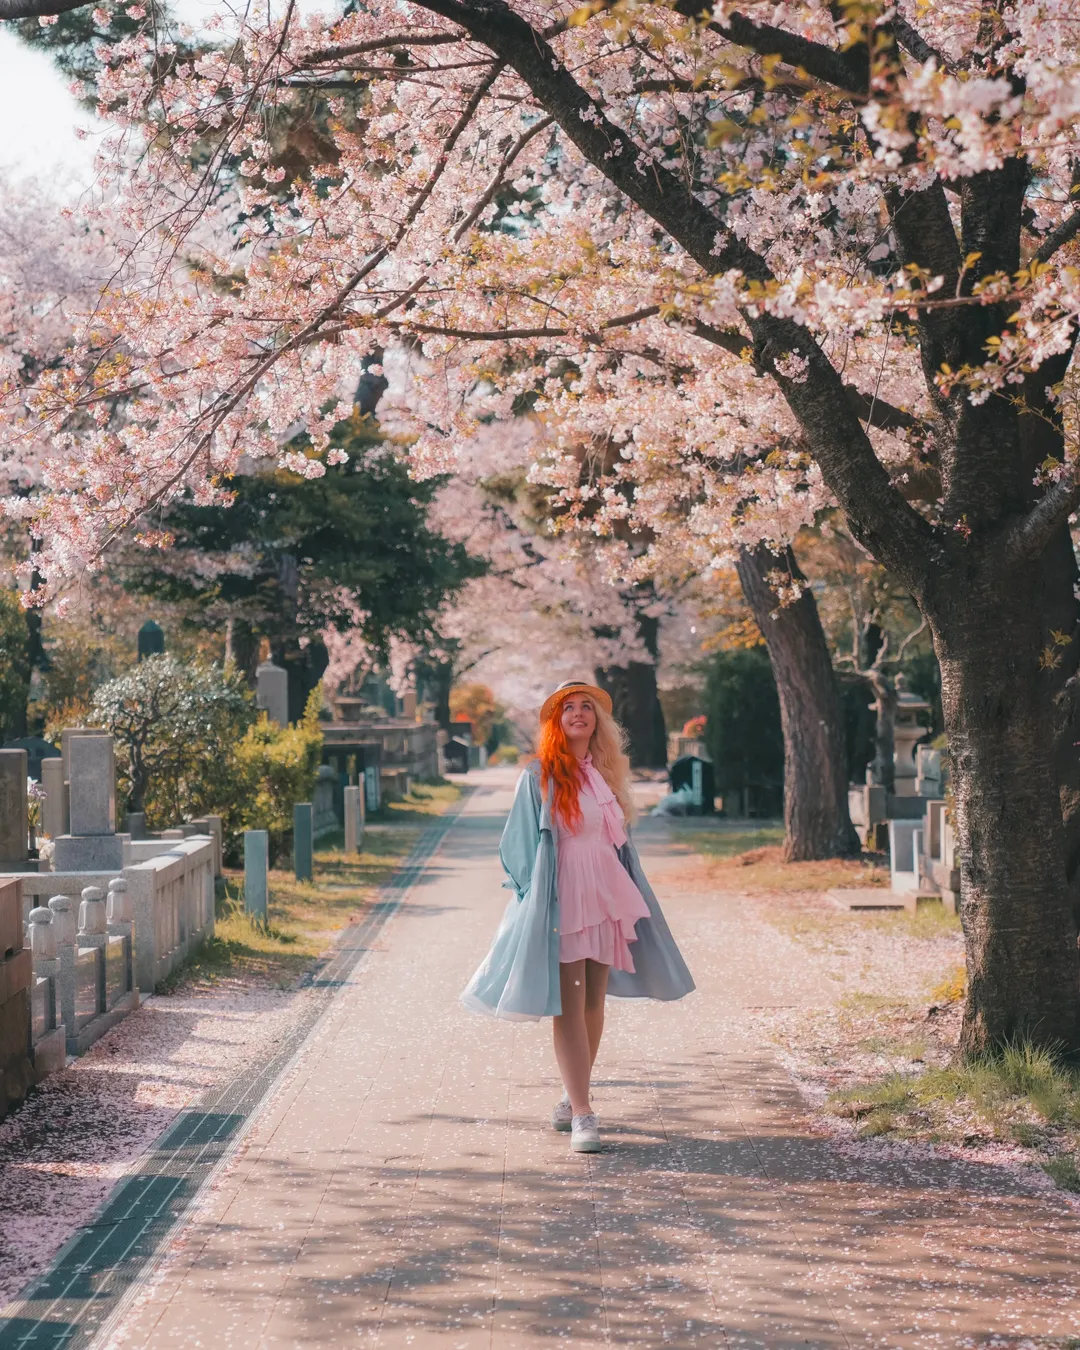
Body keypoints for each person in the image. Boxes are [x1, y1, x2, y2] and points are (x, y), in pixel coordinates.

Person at [461, 680, 695, 1153]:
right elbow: (517, 845)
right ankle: (585, 1113)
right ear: (556, 721)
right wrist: (534, 896)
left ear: (598, 721)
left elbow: (618, 840)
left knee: (593, 999)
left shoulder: (605, 773)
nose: (578, 714)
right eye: (568, 708)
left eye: (586, 707)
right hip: (563, 894)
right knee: (568, 1002)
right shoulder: (540, 775)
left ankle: (573, 1097)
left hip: (606, 891)